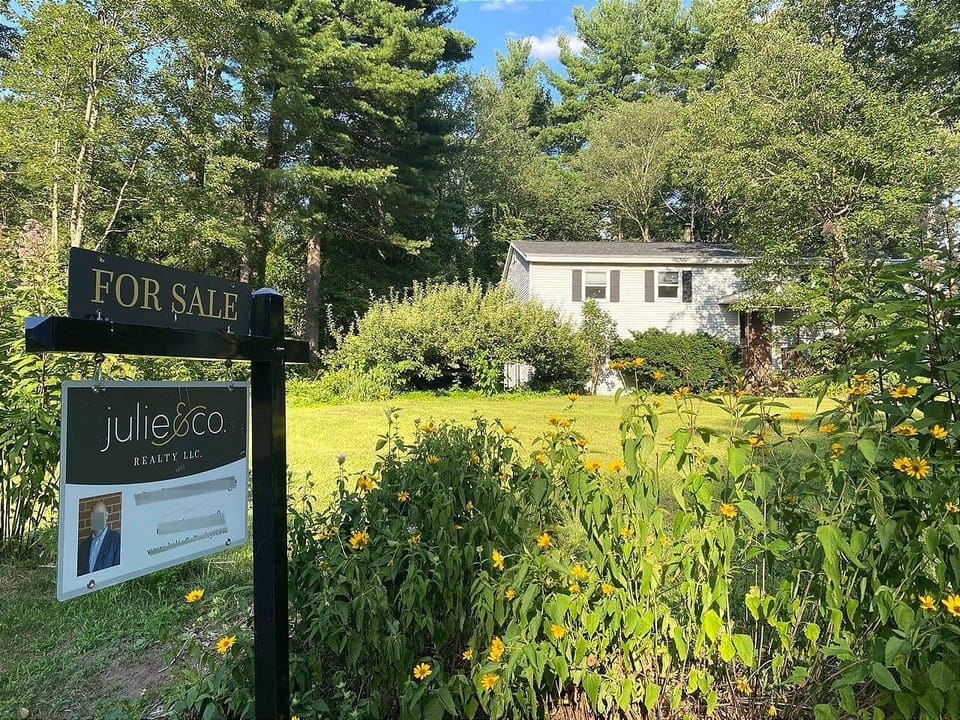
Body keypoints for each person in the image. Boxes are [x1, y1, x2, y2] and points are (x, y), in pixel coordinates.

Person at [77, 500, 121, 576]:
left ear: (106, 516)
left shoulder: (117, 540)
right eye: (94, 514)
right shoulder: (83, 545)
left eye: (100, 514)